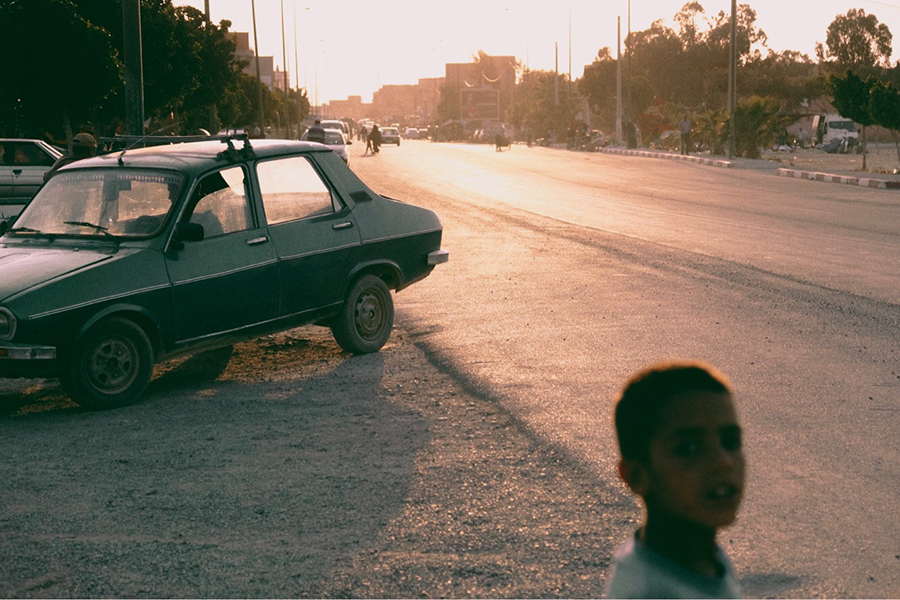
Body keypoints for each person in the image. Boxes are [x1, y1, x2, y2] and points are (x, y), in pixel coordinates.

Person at [606, 360, 745, 599]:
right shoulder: (651, 593)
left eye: (730, 441)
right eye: (688, 448)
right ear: (636, 476)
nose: (723, 461)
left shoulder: (700, 554)